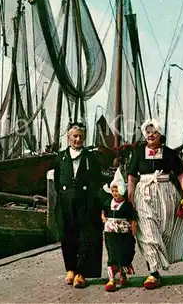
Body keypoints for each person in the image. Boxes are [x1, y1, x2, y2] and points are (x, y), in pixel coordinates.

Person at [127, 118, 183, 289]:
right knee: (148, 233)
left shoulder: (169, 153)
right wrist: (130, 199)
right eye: (147, 132)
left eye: (154, 132)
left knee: (164, 231)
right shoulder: (139, 152)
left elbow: (181, 175)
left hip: (166, 194)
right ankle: (153, 273)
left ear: (160, 134)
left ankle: (159, 265)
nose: (150, 135)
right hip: (144, 194)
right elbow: (131, 177)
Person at [52, 122, 106, 288]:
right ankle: (71, 269)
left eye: (80, 137)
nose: (77, 139)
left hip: (86, 202)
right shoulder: (60, 158)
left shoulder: (90, 158)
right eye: (74, 136)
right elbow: (57, 181)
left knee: (86, 236)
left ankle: (82, 273)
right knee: (67, 235)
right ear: (68, 138)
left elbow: (97, 181)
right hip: (66, 202)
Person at [101, 167, 137, 292]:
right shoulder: (107, 202)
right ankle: (111, 279)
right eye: (113, 191)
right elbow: (103, 212)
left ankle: (123, 274)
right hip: (111, 232)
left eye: (117, 191)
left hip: (124, 233)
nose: (115, 193)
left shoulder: (127, 205)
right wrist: (105, 219)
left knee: (124, 252)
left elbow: (133, 218)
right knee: (112, 253)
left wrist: (133, 231)